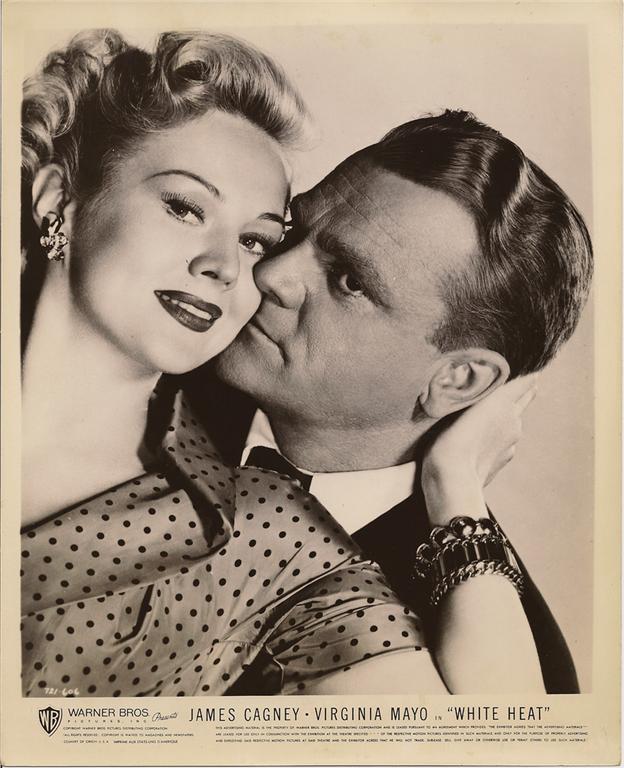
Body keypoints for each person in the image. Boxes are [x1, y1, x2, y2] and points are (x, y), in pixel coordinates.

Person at [20, 29, 469, 698]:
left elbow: (493, 738)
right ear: (58, 199)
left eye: (257, 240)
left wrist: (457, 489)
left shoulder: (270, 535)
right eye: (185, 208)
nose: (225, 266)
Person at [184, 110, 593, 694]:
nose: (272, 272)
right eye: (296, 229)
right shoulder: (143, 379)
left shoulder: (505, 659)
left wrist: (454, 482)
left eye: (349, 280)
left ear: (459, 380)